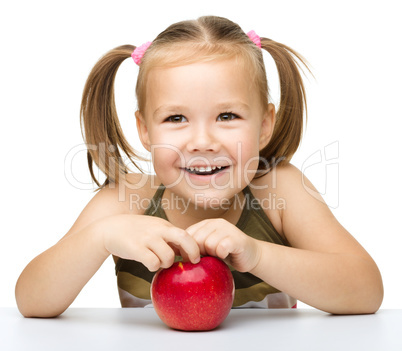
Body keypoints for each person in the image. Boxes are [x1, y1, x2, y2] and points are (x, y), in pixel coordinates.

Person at [15, 16, 383, 317]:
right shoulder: (126, 200)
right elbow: (31, 302)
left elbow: (366, 291)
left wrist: (258, 255)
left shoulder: (277, 192)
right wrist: (98, 238)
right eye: (176, 118)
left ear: (264, 125)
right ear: (145, 130)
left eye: (227, 115)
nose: (202, 141)